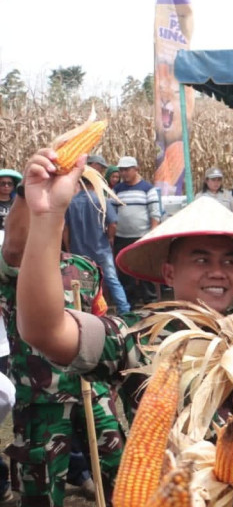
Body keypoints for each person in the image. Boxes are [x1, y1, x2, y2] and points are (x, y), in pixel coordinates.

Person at [14, 148, 233, 408]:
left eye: (229, 261)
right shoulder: (139, 337)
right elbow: (45, 331)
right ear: (169, 272)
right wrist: (48, 216)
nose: (218, 271)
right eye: (201, 259)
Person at [1, 188, 123, 506]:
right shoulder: (16, 271)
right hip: (43, 394)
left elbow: (102, 320)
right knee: (41, 482)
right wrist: (26, 194)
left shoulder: (85, 268)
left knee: (119, 467)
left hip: (91, 386)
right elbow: (13, 248)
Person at [64, 178, 131, 315]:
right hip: (101, 248)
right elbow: (113, 223)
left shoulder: (71, 203)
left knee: (84, 284)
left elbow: (65, 229)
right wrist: (110, 237)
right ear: (93, 184)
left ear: (80, 184)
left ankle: (87, 312)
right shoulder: (102, 201)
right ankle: (124, 310)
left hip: (79, 250)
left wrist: (68, 246)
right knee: (112, 280)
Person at [112, 156, 161, 307]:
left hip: (142, 236)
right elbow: (112, 214)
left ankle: (150, 300)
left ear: (136, 169)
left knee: (145, 267)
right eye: (121, 170)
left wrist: (152, 233)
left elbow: (155, 213)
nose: (124, 173)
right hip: (122, 236)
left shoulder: (148, 189)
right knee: (125, 269)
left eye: (127, 170)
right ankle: (131, 300)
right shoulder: (116, 190)